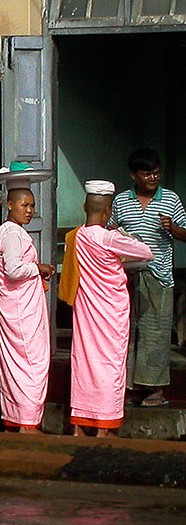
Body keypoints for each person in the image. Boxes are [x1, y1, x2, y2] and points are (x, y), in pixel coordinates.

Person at [69, 181, 153, 436]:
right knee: (110, 364)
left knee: (83, 362)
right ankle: (104, 426)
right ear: (108, 211)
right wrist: (124, 237)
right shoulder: (109, 237)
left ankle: (79, 424)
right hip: (111, 311)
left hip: (86, 308)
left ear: (85, 206)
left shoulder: (77, 236)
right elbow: (145, 252)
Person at [108, 148, 186, 407]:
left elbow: (185, 233)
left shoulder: (171, 199)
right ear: (134, 175)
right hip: (126, 277)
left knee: (157, 333)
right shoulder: (121, 201)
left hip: (159, 276)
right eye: (147, 174)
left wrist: (172, 228)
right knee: (126, 334)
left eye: (156, 173)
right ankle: (128, 389)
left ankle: (155, 391)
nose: (153, 178)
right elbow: (109, 230)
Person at [0, 179, 55, 433]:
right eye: (24, 205)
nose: (29, 210)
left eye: (32, 206)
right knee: (32, 365)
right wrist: (40, 268)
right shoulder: (12, 233)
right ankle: (28, 422)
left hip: (17, 307)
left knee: (17, 367)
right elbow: (14, 270)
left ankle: (15, 420)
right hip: (20, 311)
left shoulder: (10, 232)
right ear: (9, 204)